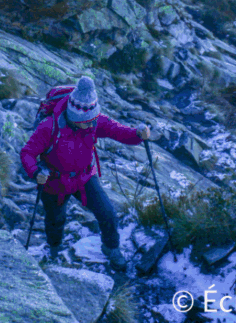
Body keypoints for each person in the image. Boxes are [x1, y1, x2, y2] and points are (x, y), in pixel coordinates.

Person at [20, 75, 159, 270]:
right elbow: (27, 153)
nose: (93, 124)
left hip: (84, 178)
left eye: (94, 119)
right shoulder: (49, 127)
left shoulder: (93, 120)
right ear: (75, 118)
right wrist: (35, 172)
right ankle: (54, 249)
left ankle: (111, 248)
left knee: (108, 213)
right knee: (55, 220)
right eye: (88, 122)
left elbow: (119, 131)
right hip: (54, 182)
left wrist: (137, 134)